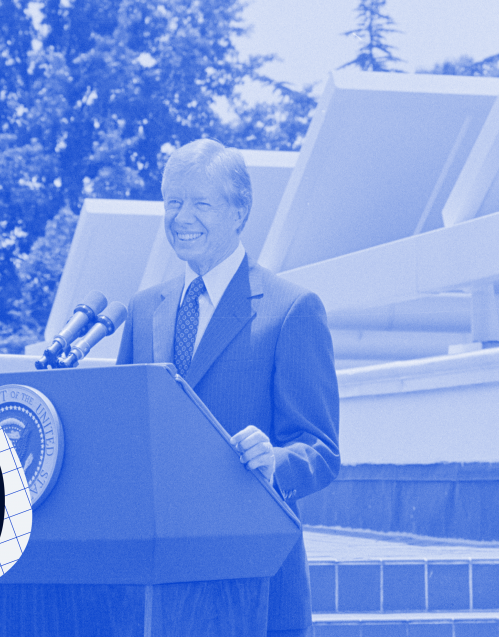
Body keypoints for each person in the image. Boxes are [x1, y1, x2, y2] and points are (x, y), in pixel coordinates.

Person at [116, 139, 340, 637]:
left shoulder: (291, 309)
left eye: (201, 203)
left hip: (252, 581)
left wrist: (275, 460)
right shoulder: (143, 309)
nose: (182, 217)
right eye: (173, 201)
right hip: (156, 581)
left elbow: (321, 451)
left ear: (240, 212)